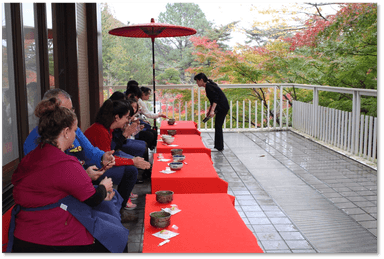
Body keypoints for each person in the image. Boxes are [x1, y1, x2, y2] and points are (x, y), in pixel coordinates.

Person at [9, 97, 128, 253]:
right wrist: (104, 187)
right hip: (53, 235)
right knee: (117, 236)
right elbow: (92, 198)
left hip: (24, 232)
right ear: (66, 132)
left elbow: (51, 183)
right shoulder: (64, 163)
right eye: (74, 130)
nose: (75, 135)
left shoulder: (31, 157)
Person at [84, 99, 151, 210]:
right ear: (116, 117)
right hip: (94, 169)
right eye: (126, 117)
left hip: (101, 164)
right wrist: (133, 161)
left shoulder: (107, 129)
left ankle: (121, 204)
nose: (127, 120)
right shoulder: (100, 131)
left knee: (131, 166)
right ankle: (120, 208)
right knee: (131, 171)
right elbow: (108, 159)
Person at [194, 72, 229, 152]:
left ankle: (219, 147)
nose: (196, 83)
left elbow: (216, 99)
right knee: (217, 125)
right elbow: (213, 100)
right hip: (221, 106)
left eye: (197, 81)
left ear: (201, 80)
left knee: (218, 125)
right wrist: (209, 111)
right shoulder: (208, 85)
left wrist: (212, 111)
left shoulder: (209, 86)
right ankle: (218, 146)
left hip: (222, 107)